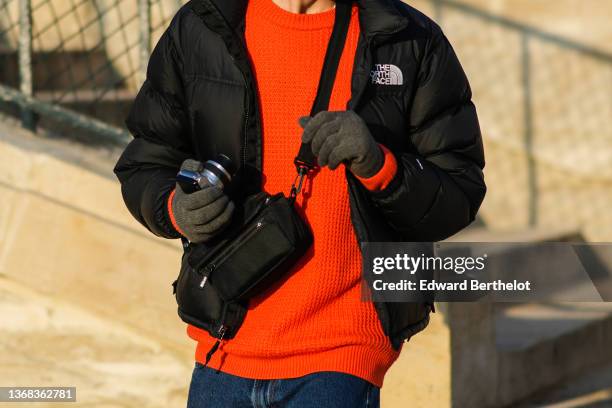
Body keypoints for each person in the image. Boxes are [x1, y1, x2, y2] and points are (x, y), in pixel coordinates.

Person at [114, 0, 486, 406]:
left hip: (343, 353)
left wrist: (381, 166)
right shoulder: (204, 25)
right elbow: (147, 162)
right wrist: (174, 207)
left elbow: (459, 191)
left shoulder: (408, 39)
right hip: (224, 347)